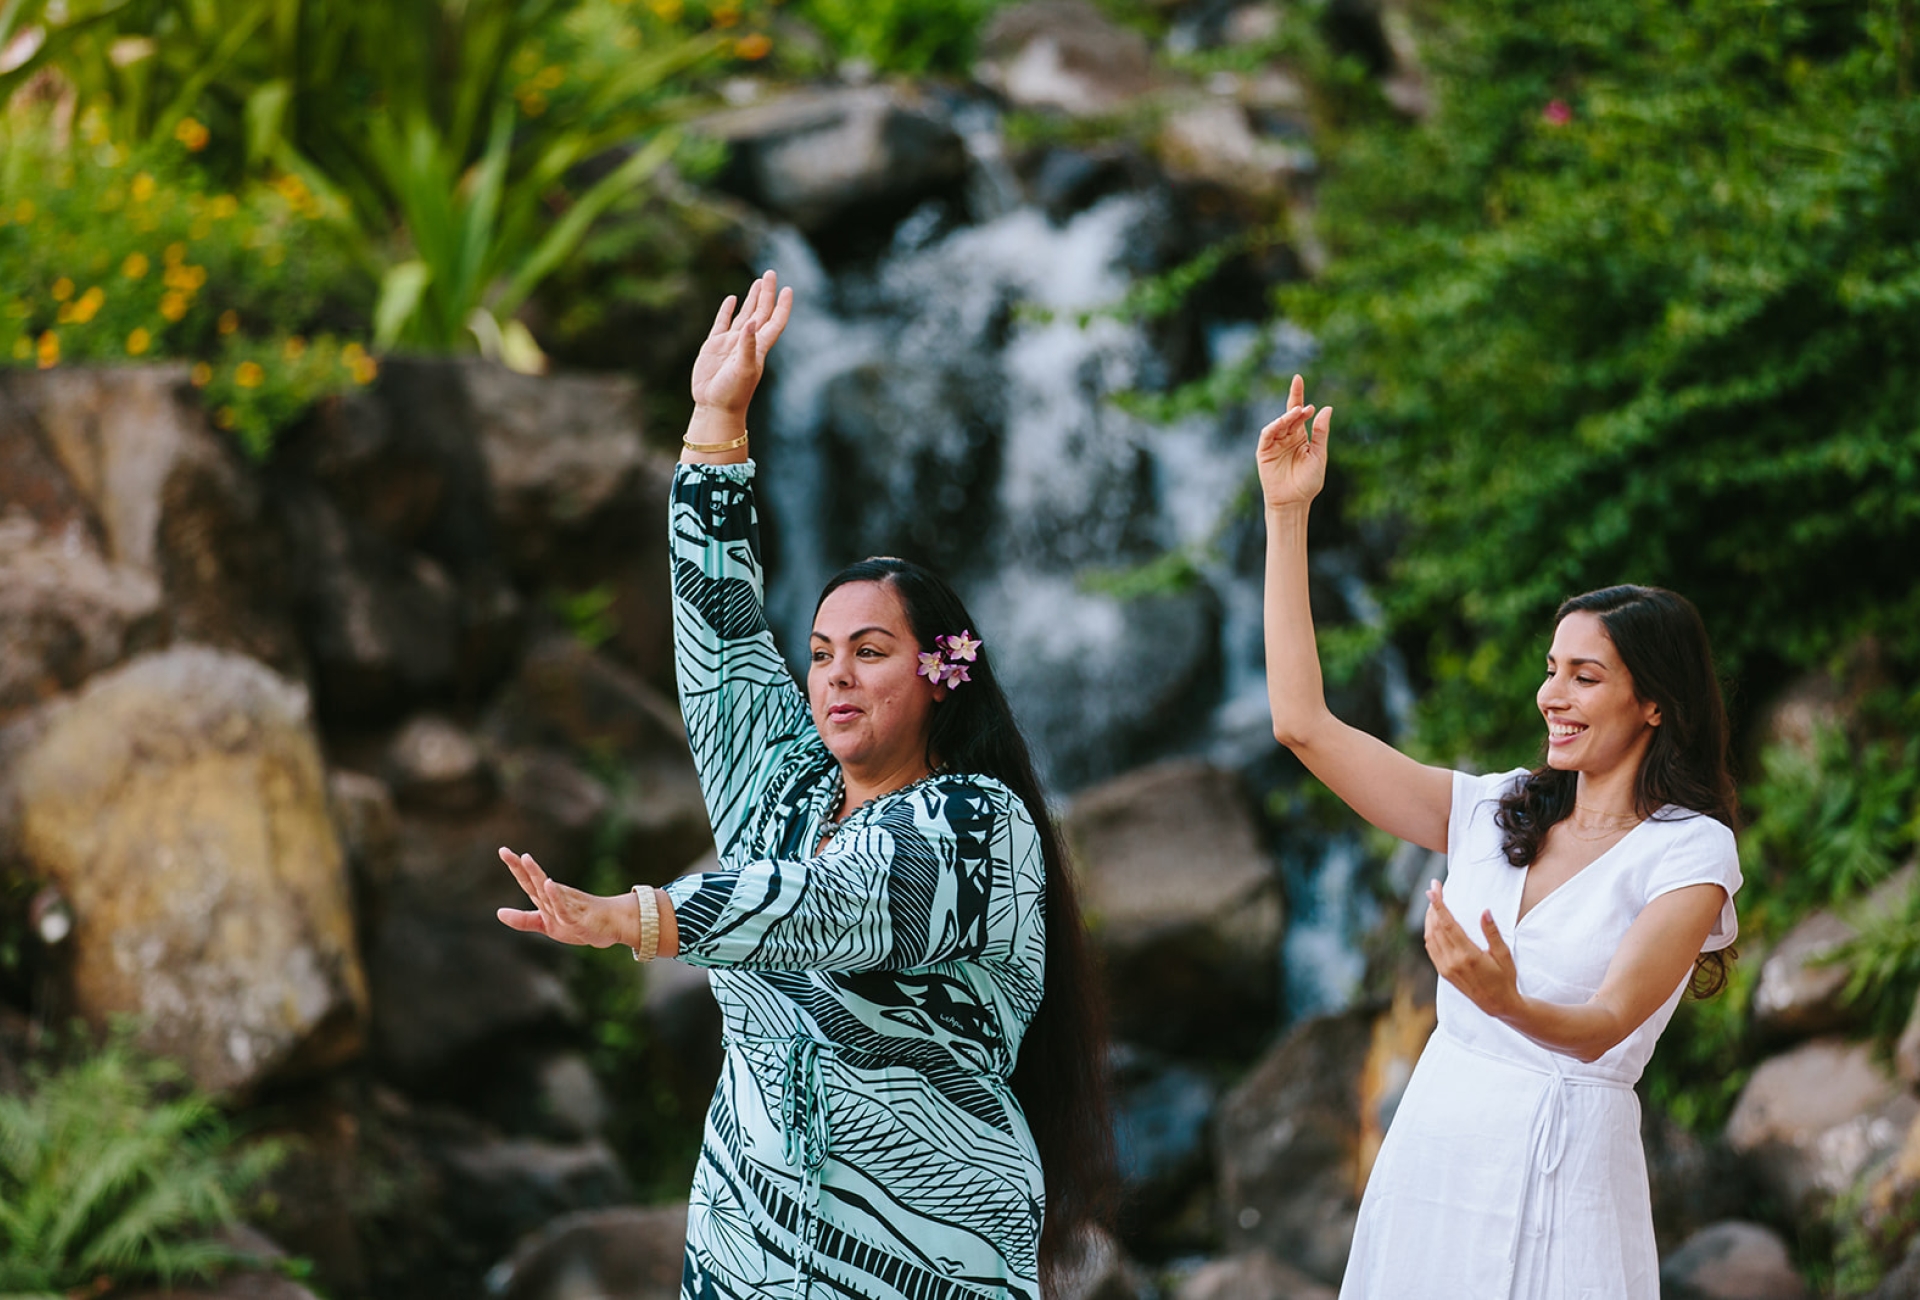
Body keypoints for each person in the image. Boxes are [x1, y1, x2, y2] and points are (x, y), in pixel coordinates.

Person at [496, 271, 1114, 1300]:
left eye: (870, 651)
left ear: (939, 673)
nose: (833, 673)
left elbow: (834, 903)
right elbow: (722, 636)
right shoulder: (782, 791)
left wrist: (639, 917)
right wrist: (716, 418)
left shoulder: (974, 825)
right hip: (748, 1246)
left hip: (928, 1259)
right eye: (822, 651)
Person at [1255, 377, 1742, 1299]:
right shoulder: (1492, 809)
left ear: (1653, 703)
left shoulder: (1690, 853)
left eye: (1583, 675)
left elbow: (1603, 1027)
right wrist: (1288, 515)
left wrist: (1504, 997)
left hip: (1568, 1180)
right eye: (1550, 669)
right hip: (1436, 1154)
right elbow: (1303, 724)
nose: (1549, 695)